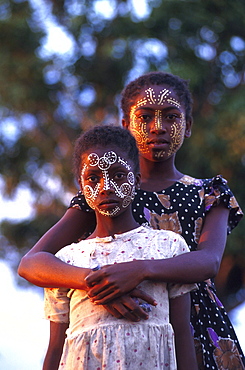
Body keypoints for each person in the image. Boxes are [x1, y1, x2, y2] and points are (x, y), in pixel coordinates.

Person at [18, 72, 244, 369]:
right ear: (126, 125)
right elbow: (32, 263)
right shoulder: (106, 193)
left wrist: (139, 271)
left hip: (200, 328)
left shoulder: (208, 193)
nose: (157, 128)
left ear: (187, 126)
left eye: (171, 117)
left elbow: (209, 262)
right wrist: (98, 284)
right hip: (121, 329)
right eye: (145, 117)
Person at [43, 125, 198, 370]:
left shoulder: (168, 246)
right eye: (93, 178)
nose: (105, 187)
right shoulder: (66, 262)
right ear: (81, 186)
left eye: (117, 175)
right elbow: (55, 348)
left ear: (136, 181)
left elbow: (181, 333)